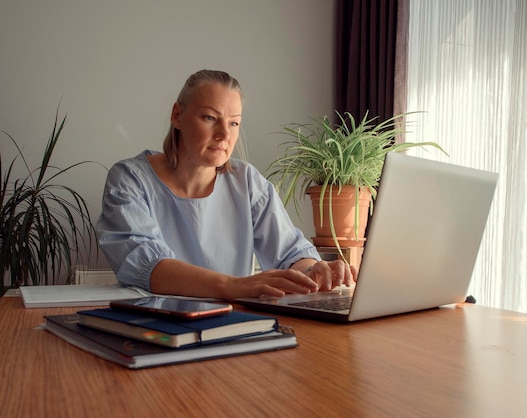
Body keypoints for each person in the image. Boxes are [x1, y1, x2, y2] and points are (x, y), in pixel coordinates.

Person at [96, 69, 356, 300]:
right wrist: (234, 286)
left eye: (234, 123)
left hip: (232, 324)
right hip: (156, 327)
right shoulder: (129, 179)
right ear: (177, 116)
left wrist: (314, 270)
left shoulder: (248, 181)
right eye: (210, 118)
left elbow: (291, 254)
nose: (224, 134)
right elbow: (148, 266)